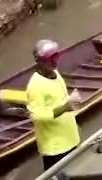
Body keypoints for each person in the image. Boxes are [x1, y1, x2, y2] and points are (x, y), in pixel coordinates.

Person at [25, 40, 82, 171]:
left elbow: (62, 98)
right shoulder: (35, 85)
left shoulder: (56, 74)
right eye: (49, 59)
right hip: (56, 149)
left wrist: (72, 102)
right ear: (39, 61)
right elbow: (36, 115)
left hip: (71, 139)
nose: (54, 61)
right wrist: (65, 108)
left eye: (55, 56)